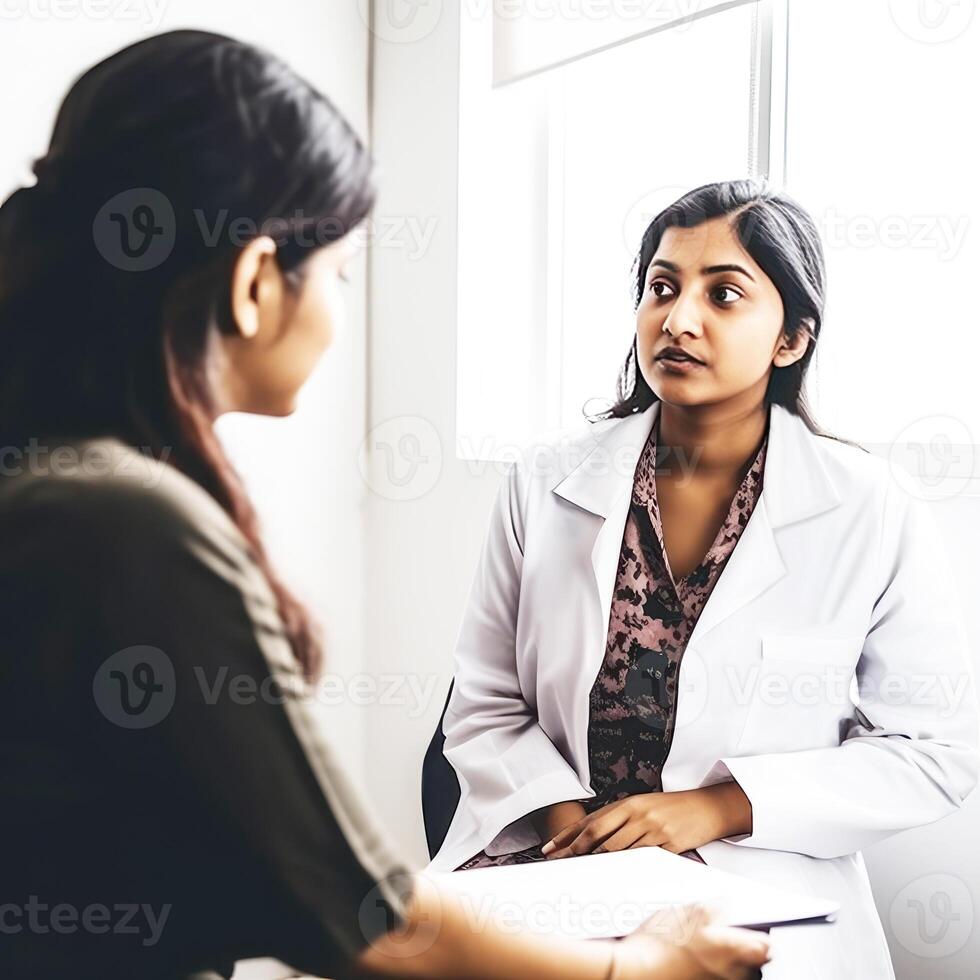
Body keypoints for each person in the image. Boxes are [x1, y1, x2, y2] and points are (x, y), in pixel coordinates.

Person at [0, 30, 771, 980]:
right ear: (254, 283)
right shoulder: (126, 524)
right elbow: (360, 912)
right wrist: (643, 969)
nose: (680, 319)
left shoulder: (59, 484)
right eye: (341, 272)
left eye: (724, 295)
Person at [428, 181, 980, 978]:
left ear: (790, 338)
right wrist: (579, 835)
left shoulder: (870, 509)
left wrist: (713, 808)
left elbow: (933, 751)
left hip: (757, 879)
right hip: (552, 859)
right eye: (661, 287)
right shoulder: (545, 483)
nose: (678, 318)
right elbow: (483, 706)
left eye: (723, 294)